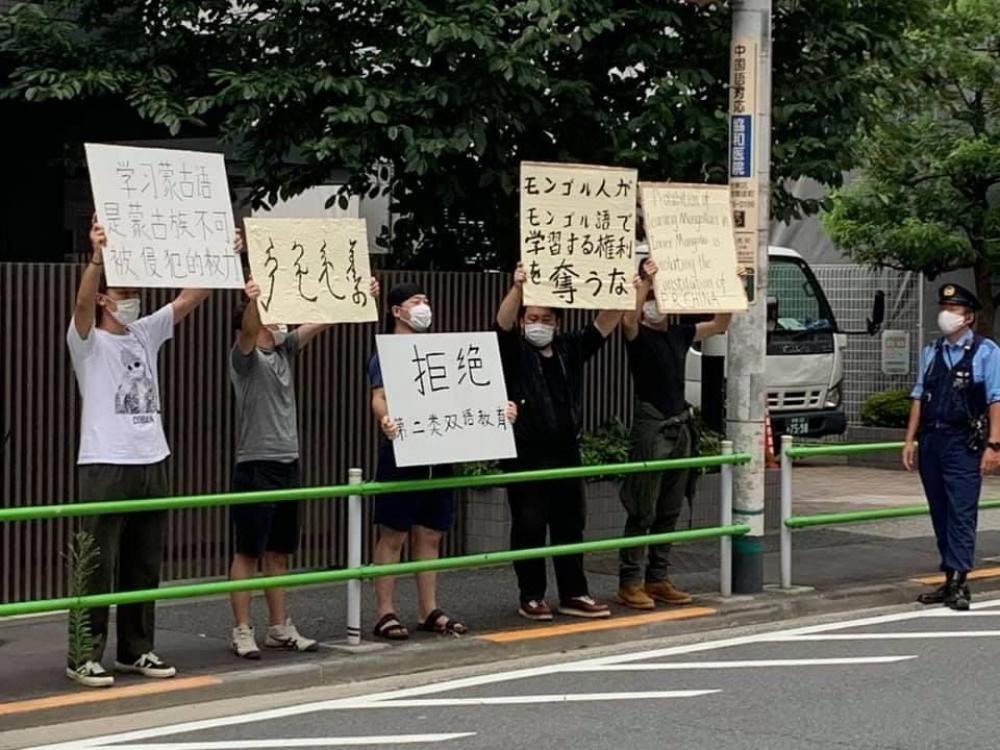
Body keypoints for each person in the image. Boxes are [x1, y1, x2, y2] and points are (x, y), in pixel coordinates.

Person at [65, 217, 237, 688]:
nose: (132, 298)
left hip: (151, 457)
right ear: (105, 298)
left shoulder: (144, 332)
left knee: (143, 562)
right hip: (104, 459)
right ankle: (83, 654)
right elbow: (81, 306)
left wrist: (225, 256)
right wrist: (97, 257)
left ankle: (135, 649)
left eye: (134, 290)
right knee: (96, 560)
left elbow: (188, 299)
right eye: (123, 292)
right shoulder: (88, 342)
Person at [227, 275, 380, 658]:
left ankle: (279, 626)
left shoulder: (284, 351)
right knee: (248, 551)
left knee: (279, 551)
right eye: (274, 318)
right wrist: (254, 300)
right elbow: (247, 330)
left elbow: (324, 320)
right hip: (255, 463)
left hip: (288, 462)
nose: (283, 324)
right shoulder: (244, 358)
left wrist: (357, 293)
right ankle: (242, 629)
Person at [368, 282, 517, 639]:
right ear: (396, 311)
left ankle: (427, 608)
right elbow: (378, 396)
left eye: (426, 300)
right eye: (416, 301)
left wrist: (500, 411)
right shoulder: (386, 354)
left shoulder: (443, 351)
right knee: (394, 533)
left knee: (431, 533)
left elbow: (470, 396)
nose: (424, 306)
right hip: (402, 450)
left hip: (439, 450)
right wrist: (384, 418)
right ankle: (385, 611)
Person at [495, 263, 623, 621]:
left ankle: (574, 593)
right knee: (530, 524)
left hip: (566, 449)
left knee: (570, 523)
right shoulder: (514, 351)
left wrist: (622, 291)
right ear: (523, 322)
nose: (539, 325)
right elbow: (501, 324)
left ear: (558, 323)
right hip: (524, 451)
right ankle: (531, 596)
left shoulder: (569, 348)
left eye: (547, 319)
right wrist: (517, 288)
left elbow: (602, 327)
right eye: (532, 318)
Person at [616, 259, 731, 610]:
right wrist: (643, 284)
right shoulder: (639, 336)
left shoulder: (680, 334)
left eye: (659, 295)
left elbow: (720, 323)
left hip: (681, 424)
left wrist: (729, 285)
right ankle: (630, 580)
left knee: (670, 508)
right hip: (652, 424)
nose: (655, 301)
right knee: (642, 506)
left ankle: (658, 577)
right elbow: (628, 321)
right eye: (651, 296)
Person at [903, 283, 1000, 611]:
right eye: (944, 308)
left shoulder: (986, 352)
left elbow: (995, 400)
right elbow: (919, 395)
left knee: (961, 511)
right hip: (932, 439)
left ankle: (959, 581)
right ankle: (948, 576)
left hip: (964, 441)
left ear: (968, 317)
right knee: (940, 509)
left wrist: (994, 445)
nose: (946, 315)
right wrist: (910, 439)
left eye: (954, 310)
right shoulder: (932, 351)